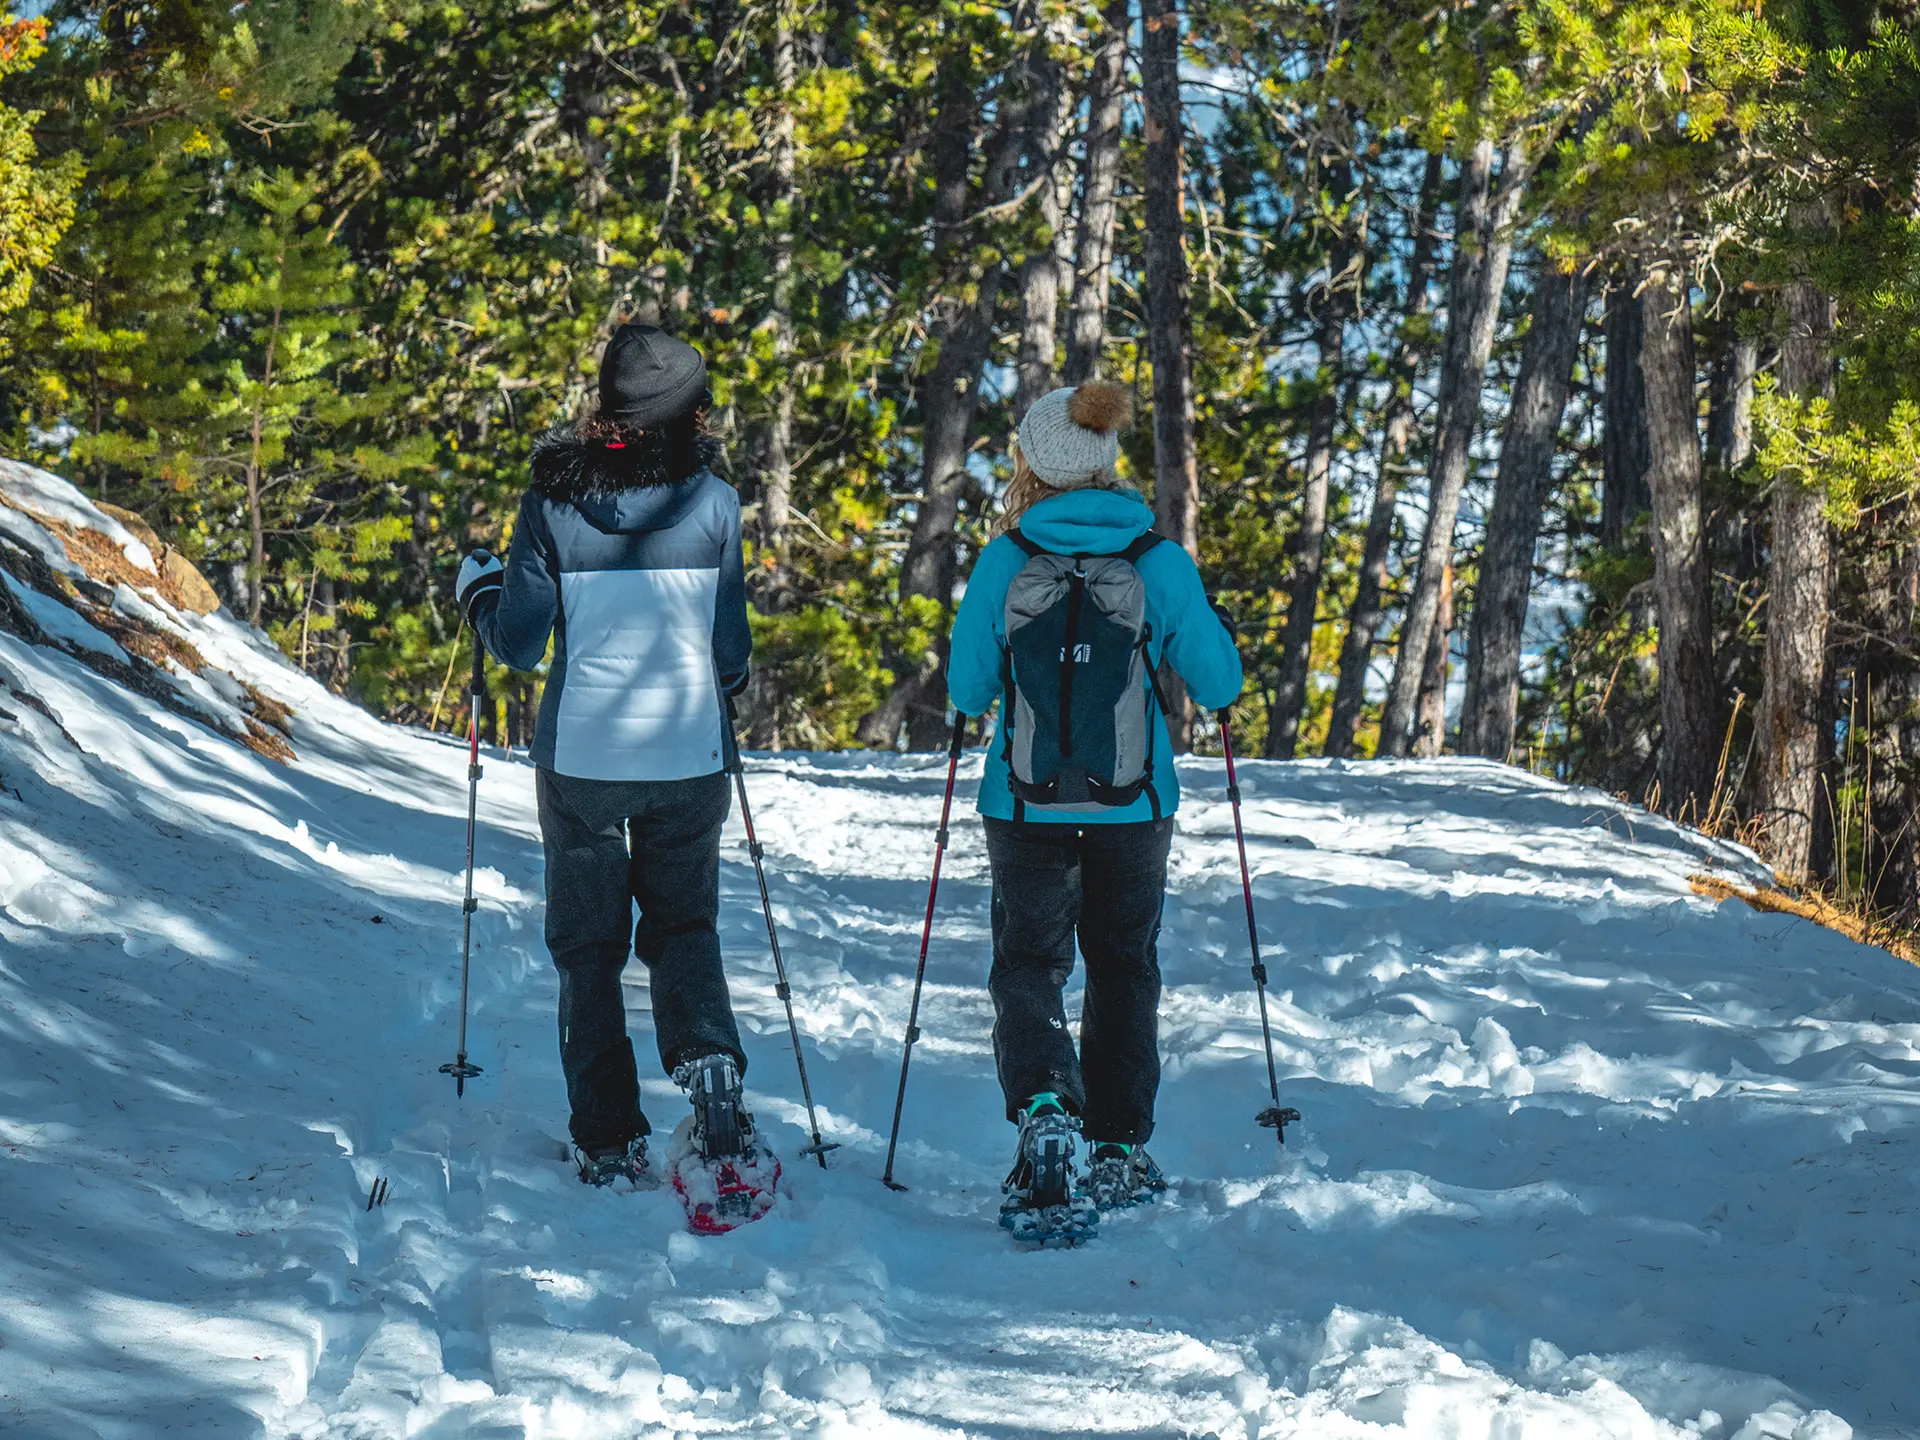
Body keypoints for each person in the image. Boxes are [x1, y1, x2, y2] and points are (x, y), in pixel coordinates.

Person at [454, 322, 758, 1188]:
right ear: (686, 414)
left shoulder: (553, 505)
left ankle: (606, 1135)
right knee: (684, 925)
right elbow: (729, 655)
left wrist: (480, 593)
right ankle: (709, 1066)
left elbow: (516, 643)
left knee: (589, 948)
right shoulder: (716, 505)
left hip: (583, 759)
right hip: (690, 755)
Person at [945, 380, 1242, 1240]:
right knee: (1123, 967)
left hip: (1024, 804)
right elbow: (1219, 682)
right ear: (1106, 463)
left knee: (1029, 964)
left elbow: (968, 690)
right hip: (1135, 802)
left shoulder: (1005, 558)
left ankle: (1046, 1112)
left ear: (1035, 465)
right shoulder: (1157, 560)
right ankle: (1116, 1145)